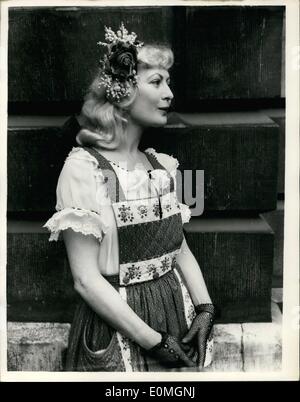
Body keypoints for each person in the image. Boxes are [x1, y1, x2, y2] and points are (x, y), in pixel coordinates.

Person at [44, 23, 216, 372]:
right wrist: (153, 340)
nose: (169, 94)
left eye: (168, 82)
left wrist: (205, 309)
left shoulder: (161, 166)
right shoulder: (85, 170)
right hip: (121, 326)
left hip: (176, 315)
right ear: (121, 92)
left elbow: (178, 247)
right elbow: (86, 280)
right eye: (156, 82)